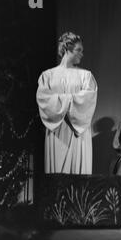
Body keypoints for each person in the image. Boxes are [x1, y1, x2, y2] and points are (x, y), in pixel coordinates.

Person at [36, 32, 97, 174]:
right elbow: (44, 99)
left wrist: (63, 100)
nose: (82, 54)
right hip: (56, 127)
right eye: (78, 50)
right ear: (67, 49)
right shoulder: (48, 75)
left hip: (77, 130)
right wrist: (70, 99)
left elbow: (88, 99)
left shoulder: (86, 76)